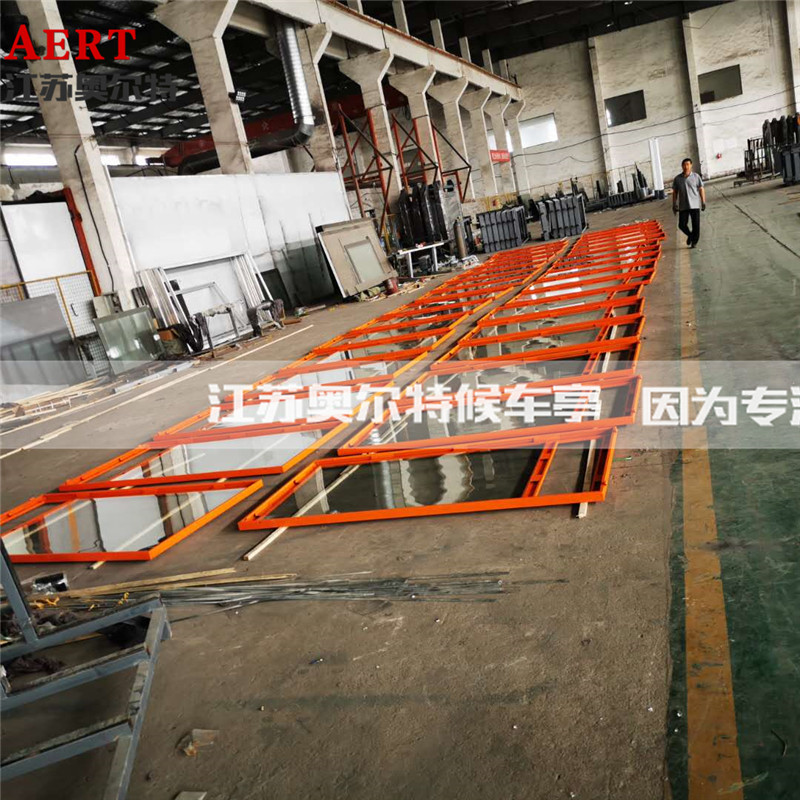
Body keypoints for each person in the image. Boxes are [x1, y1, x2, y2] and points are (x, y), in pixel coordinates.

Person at [672, 158, 706, 248]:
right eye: (684, 165)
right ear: (682, 166)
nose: (686, 166)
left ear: (691, 165)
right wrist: (674, 204)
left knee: (696, 225)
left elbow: (701, 189)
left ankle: (694, 242)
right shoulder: (677, 179)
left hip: (694, 205)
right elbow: (675, 192)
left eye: (687, 164)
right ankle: (690, 236)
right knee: (682, 225)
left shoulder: (696, 176)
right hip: (683, 206)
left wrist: (703, 201)